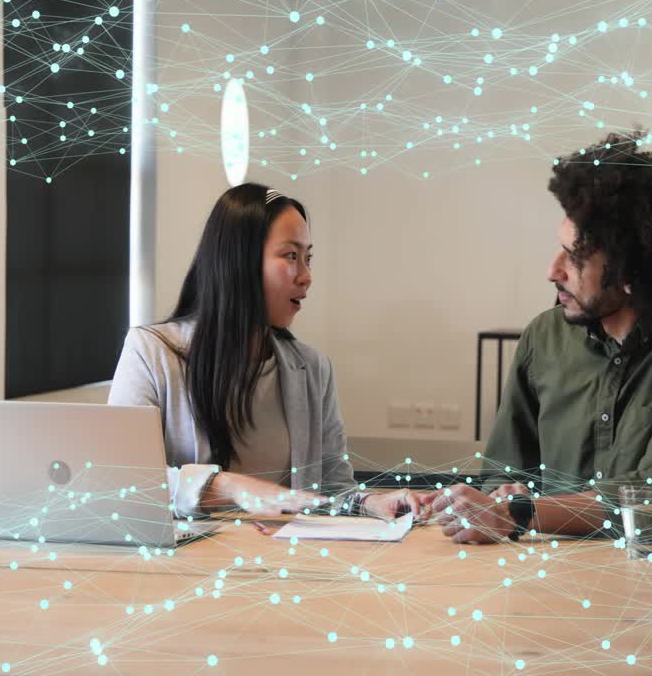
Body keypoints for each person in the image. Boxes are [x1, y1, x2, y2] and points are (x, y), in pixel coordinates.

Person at [428, 131, 652, 543]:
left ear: (631, 271)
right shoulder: (543, 336)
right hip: (547, 574)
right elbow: (503, 469)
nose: (553, 270)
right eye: (559, 249)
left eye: (576, 257)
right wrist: (505, 493)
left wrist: (519, 512)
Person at [109, 183, 419, 520]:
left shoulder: (312, 368)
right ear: (239, 260)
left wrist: (368, 503)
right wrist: (231, 487)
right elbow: (123, 481)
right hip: (186, 567)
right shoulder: (151, 352)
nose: (306, 276)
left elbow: (331, 488)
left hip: (286, 565)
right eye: (291, 256)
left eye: (308, 258)